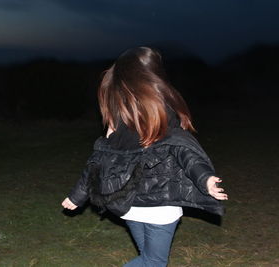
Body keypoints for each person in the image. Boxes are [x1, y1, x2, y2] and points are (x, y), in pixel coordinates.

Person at [61, 47, 228, 267]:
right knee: (154, 262)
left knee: (147, 259)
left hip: (129, 207)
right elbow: (185, 152)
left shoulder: (121, 124)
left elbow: (97, 164)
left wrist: (76, 197)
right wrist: (204, 178)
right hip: (159, 211)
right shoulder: (160, 121)